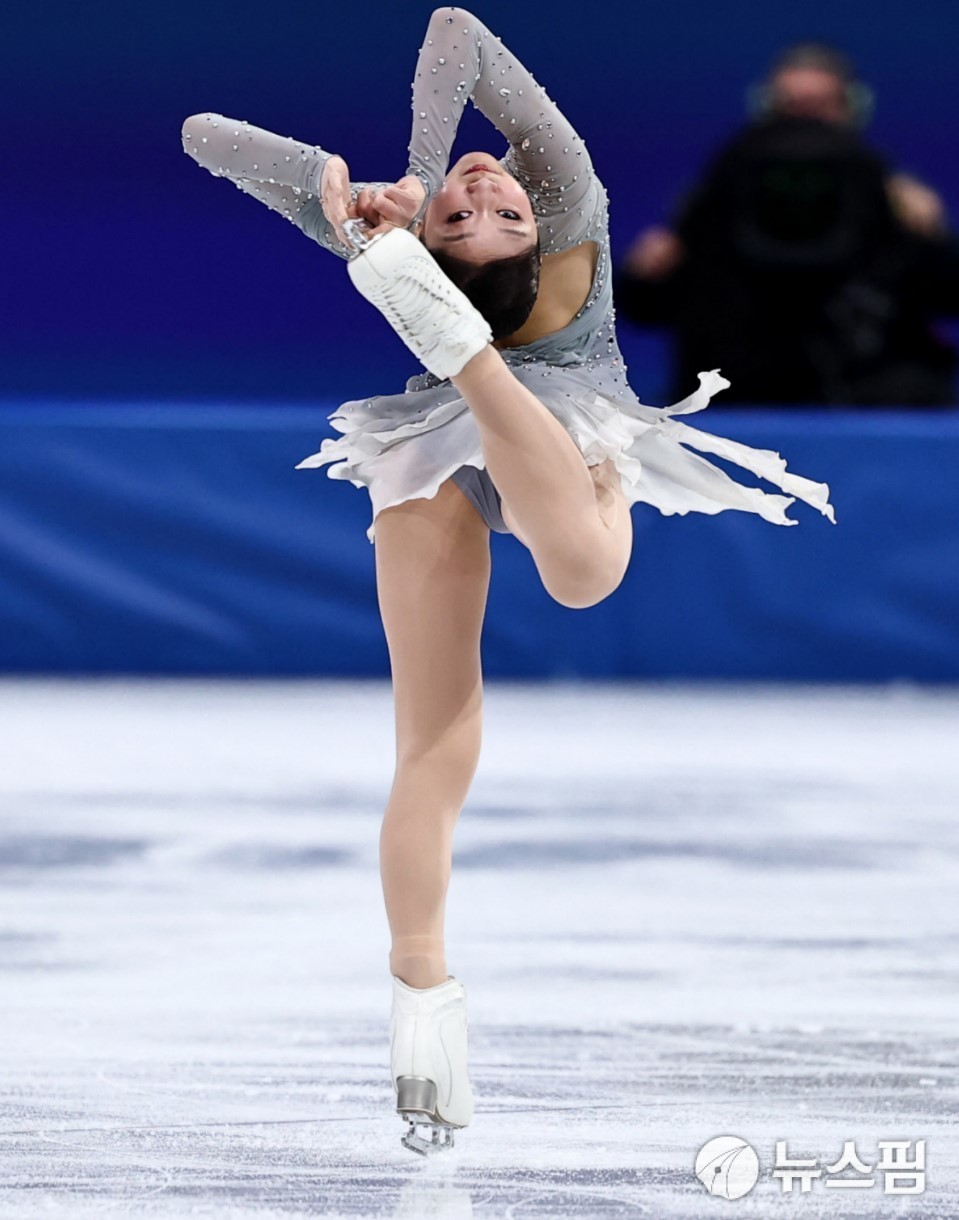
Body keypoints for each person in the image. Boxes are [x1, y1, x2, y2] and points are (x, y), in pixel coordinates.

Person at [181, 7, 835, 1155]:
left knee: (521, 642)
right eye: (465, 213)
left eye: (488, 208)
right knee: (483, 686)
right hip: (478, 432)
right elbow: (224, 126)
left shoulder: (471, 215)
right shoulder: (533, 199)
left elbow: (426, 41)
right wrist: (344, 182)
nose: (482, 188)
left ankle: (466, 355)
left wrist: (384, 187)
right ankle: (422, 997)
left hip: (514, 428)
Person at [616, 42, 959, 406]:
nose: (804, 122)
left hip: (870, 396)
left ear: (853, 108)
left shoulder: (892, 201)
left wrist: (933, 239)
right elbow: (646, 310)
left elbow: (948, 300)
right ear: (765, 107)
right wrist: (645, 273)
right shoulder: (721, 193)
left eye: (820, 106)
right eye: (791, 106)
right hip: (740, 396)